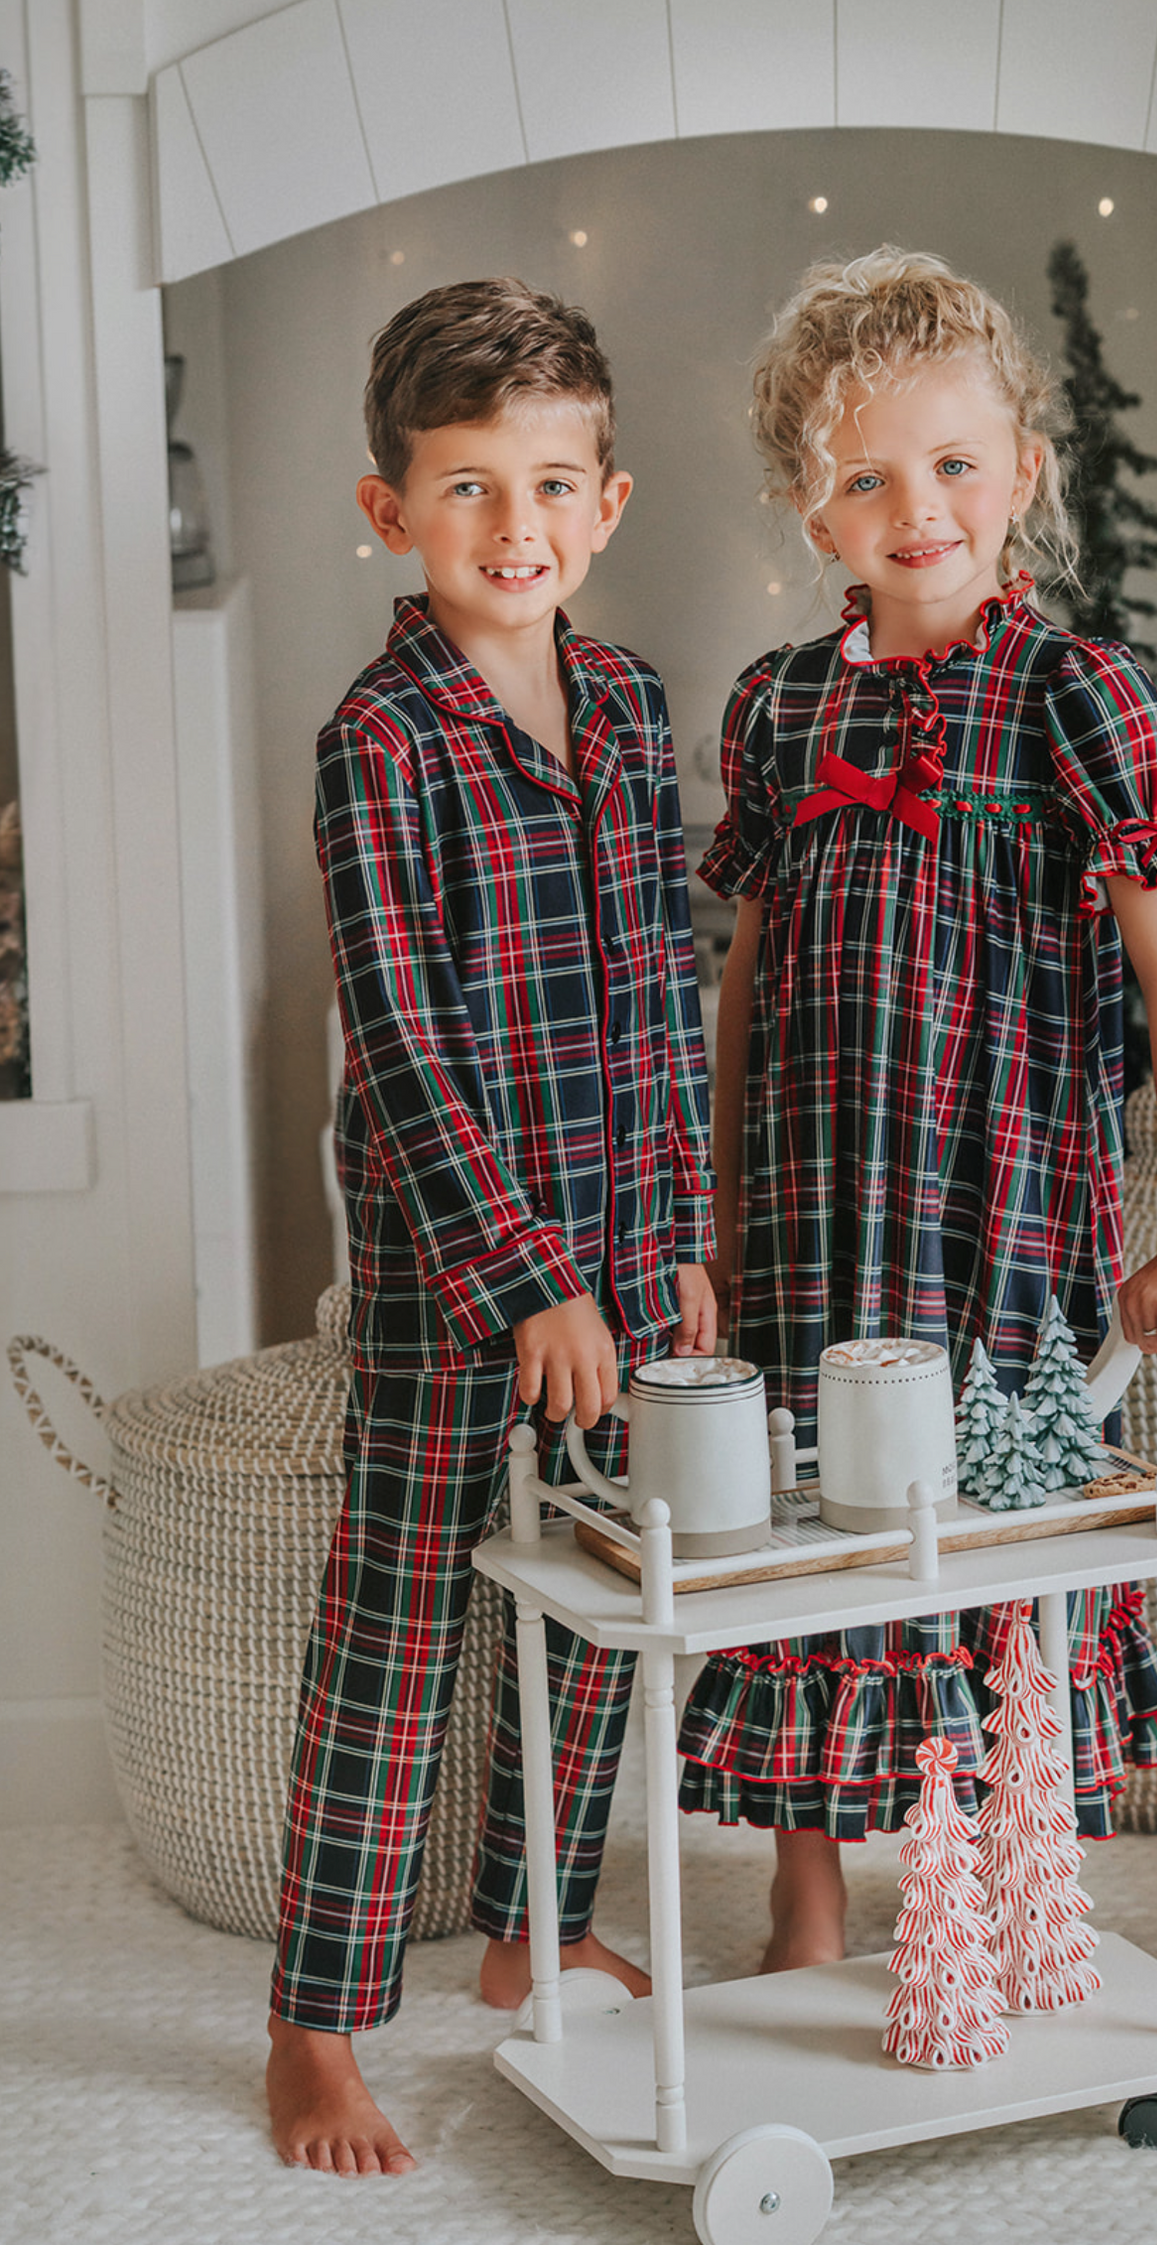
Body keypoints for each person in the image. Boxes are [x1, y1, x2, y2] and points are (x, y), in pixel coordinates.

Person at [676, 248, 1157, 1972]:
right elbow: (745, 984)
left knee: (988, 1535)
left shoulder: (1079, 695)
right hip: (816, 1218)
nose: (920, 507)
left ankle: (990, 1876)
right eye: (869, 477)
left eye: (955, 463)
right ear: (809, 509)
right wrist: (713, 1211)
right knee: (805, 1536)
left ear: (1025, 470)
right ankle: (808, 1886)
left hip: (1004, 1221)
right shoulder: (780, 708)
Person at [266, 279, 716, 2173]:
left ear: (607, 502)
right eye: (466, 491)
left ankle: (536, 1922)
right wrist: (523, 1280)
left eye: (548, 487)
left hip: (627, 1260)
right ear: (391, 512)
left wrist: (676, 1232)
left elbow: (668, 991)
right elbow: (404, 1042)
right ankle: (312, 2025)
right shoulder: (383, 742)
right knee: (398, 1633)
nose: (511, 531)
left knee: (603, 1611)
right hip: (469, 1288)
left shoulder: (627, 702)